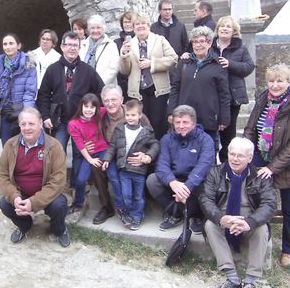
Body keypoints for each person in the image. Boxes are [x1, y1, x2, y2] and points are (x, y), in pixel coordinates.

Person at [199, 137, 276, 288]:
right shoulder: (215, 172)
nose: (234, 159)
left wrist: (251, 222)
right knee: (210, 226)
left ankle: (250, 282)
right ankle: (232, 278)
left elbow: (270, 204)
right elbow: (205, 198)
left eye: (240, 156)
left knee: (262, 229)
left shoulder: (260, 176)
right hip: (225, 218)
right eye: (231, 154)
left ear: (250, 158)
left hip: (249, 220)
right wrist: (221, 218)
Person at [36, 31, 104, 187]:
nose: (72, 49)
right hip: (59, 122)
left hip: (81, 123)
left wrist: (91, 111)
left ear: (80, 48)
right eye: (69, 45)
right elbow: (44, 95)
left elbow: (100, 92)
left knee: (80, 155)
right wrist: (45, 116)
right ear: (62, 47)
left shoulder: (88, 70)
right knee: (58, 153)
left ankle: (76, 187)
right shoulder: (53, 69)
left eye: (76, 45)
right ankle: (56, 186)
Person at [0, 107, 70, 247]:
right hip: (21, 192)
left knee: (60, 205)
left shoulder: (54, 146)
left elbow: (58, 181)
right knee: (5, 204)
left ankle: (59, 230)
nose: (27, 128)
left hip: (46, 193)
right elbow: (3, 175)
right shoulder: (10, 145)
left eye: (31, 124)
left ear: (40, 123)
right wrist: (14, 196)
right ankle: (25, 226)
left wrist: (34, 202)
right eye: (23, 124)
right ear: (19, 126)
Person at [244, 64, 290, 268]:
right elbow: (251, 127)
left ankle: (288, 250)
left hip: (285, 162)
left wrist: (272, 168)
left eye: (280, 81)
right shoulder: (264, 98)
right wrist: (246, 151)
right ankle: (256, 235)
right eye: (272, 81)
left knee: (289, 208)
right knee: (254, 197)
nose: (275, 85)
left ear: (287, 82)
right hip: (261, 154)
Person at [146, 105, 215, 233]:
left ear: (193, 123)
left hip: (195, 182)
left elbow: (204, 166)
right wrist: (172, 182)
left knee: (207, 184)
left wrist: (186, 187)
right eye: (178, 122)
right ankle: (176, 214)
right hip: (175, 181)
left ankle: (196, 215)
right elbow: (162, 165)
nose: (181, 126)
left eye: (185, 122)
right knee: (152, 180)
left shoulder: (205, 140)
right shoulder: (167, 139)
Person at [168, 26, 230, 153]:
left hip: (208, 118)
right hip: (184, 118)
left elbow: (224, 94)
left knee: (207, 153)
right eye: (195, 42)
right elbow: (175, 88)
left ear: (209, 43)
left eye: (201, 41)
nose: (198, 45)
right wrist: (171, 112)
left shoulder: (218, 64)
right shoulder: (184, 63)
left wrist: (224, 118)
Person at [103, 99, 159, 230]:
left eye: (133, 115)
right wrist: (107, 159)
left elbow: (155, 145)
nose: (130, 118)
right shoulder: (120, 129)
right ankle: (129, 213)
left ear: (140, 115)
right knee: (126, 195)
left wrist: (148, 156)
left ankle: (137, 217)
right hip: (124, 169)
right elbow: (113, 146)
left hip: (139, 171)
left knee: (138, 196)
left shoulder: (146, 132)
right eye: (127, 115)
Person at [120, 14, 178, 140]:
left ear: (148, 26)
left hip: (157, 90)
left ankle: (159, 153)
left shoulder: (159, 40)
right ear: (133, 28)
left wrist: (152, 63)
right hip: (138, 92)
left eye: (143, 24)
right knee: (141, 124)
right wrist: (124, 55)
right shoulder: (129, 43)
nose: (140, 26)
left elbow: (173, 59)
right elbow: (125, 71)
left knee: (158, 124)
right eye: (137, 24)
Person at [67, 93, 120, 224]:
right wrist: (90, 160)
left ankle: (121, 207)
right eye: (86, 106)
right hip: (89, 154)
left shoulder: (100, 114)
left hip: (104, 150)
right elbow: (80, 145)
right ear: (81, 106)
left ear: (97, 108)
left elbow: (113, 106)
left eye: (92, 107)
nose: (89, 109)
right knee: (80, 180)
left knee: (113, 175)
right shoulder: (73, 124)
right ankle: (78, 203)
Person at [211, 16, 255, 162]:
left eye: (228, 26)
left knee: (228, 135)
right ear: (217, 30)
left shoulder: (240, 48)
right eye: (222, 26)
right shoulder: (209, 45)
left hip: (232, 97)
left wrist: (230, 64)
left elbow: (249, 67)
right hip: (211, 96)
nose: (224, 28)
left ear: (234, 31)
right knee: (210, 134)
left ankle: (226, 167)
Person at [0, 33, 37, 146]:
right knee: (7, 145)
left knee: (23, 146)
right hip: (4, 110)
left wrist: (27, 113)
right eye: (5, 44)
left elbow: (30, 92)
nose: (8, 47)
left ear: (18, 46)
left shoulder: (29, 65)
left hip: (21, 110)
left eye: (11, 43)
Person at [79, 14, 120, 85]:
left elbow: (114, 69)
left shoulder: (111, 45)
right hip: (83, 86)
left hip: (104, 87)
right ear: (89, 29)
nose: (95, 31)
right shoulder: (82, 45)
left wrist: (97, 84)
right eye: (92, 28)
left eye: (98, 28)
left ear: (103, 29)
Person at [114, 11, 136, 101]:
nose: (127, 25)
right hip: (122, 82)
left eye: (129, 22)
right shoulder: (116, 43)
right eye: (125, 22)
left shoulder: (140, 40)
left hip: (136, 82)